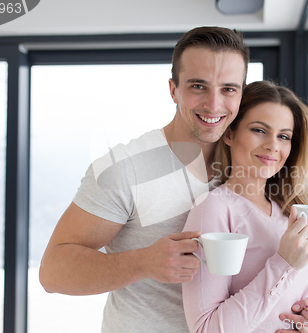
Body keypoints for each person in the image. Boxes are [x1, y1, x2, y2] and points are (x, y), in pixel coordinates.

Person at [39, 26, 250, 333]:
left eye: (228, 89)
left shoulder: (252, 164)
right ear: (173, 89)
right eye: (197, 86)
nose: (214, 105)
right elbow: (52, 273)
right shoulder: (125, 169)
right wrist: (143, 262)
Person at [182, 81, 308, 333]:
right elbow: (207, 328)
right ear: (229, 134)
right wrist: (284, 262)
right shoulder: (215, 208)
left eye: (284, 136)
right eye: (260, 130)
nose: (273, 145)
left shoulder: (292, 211)